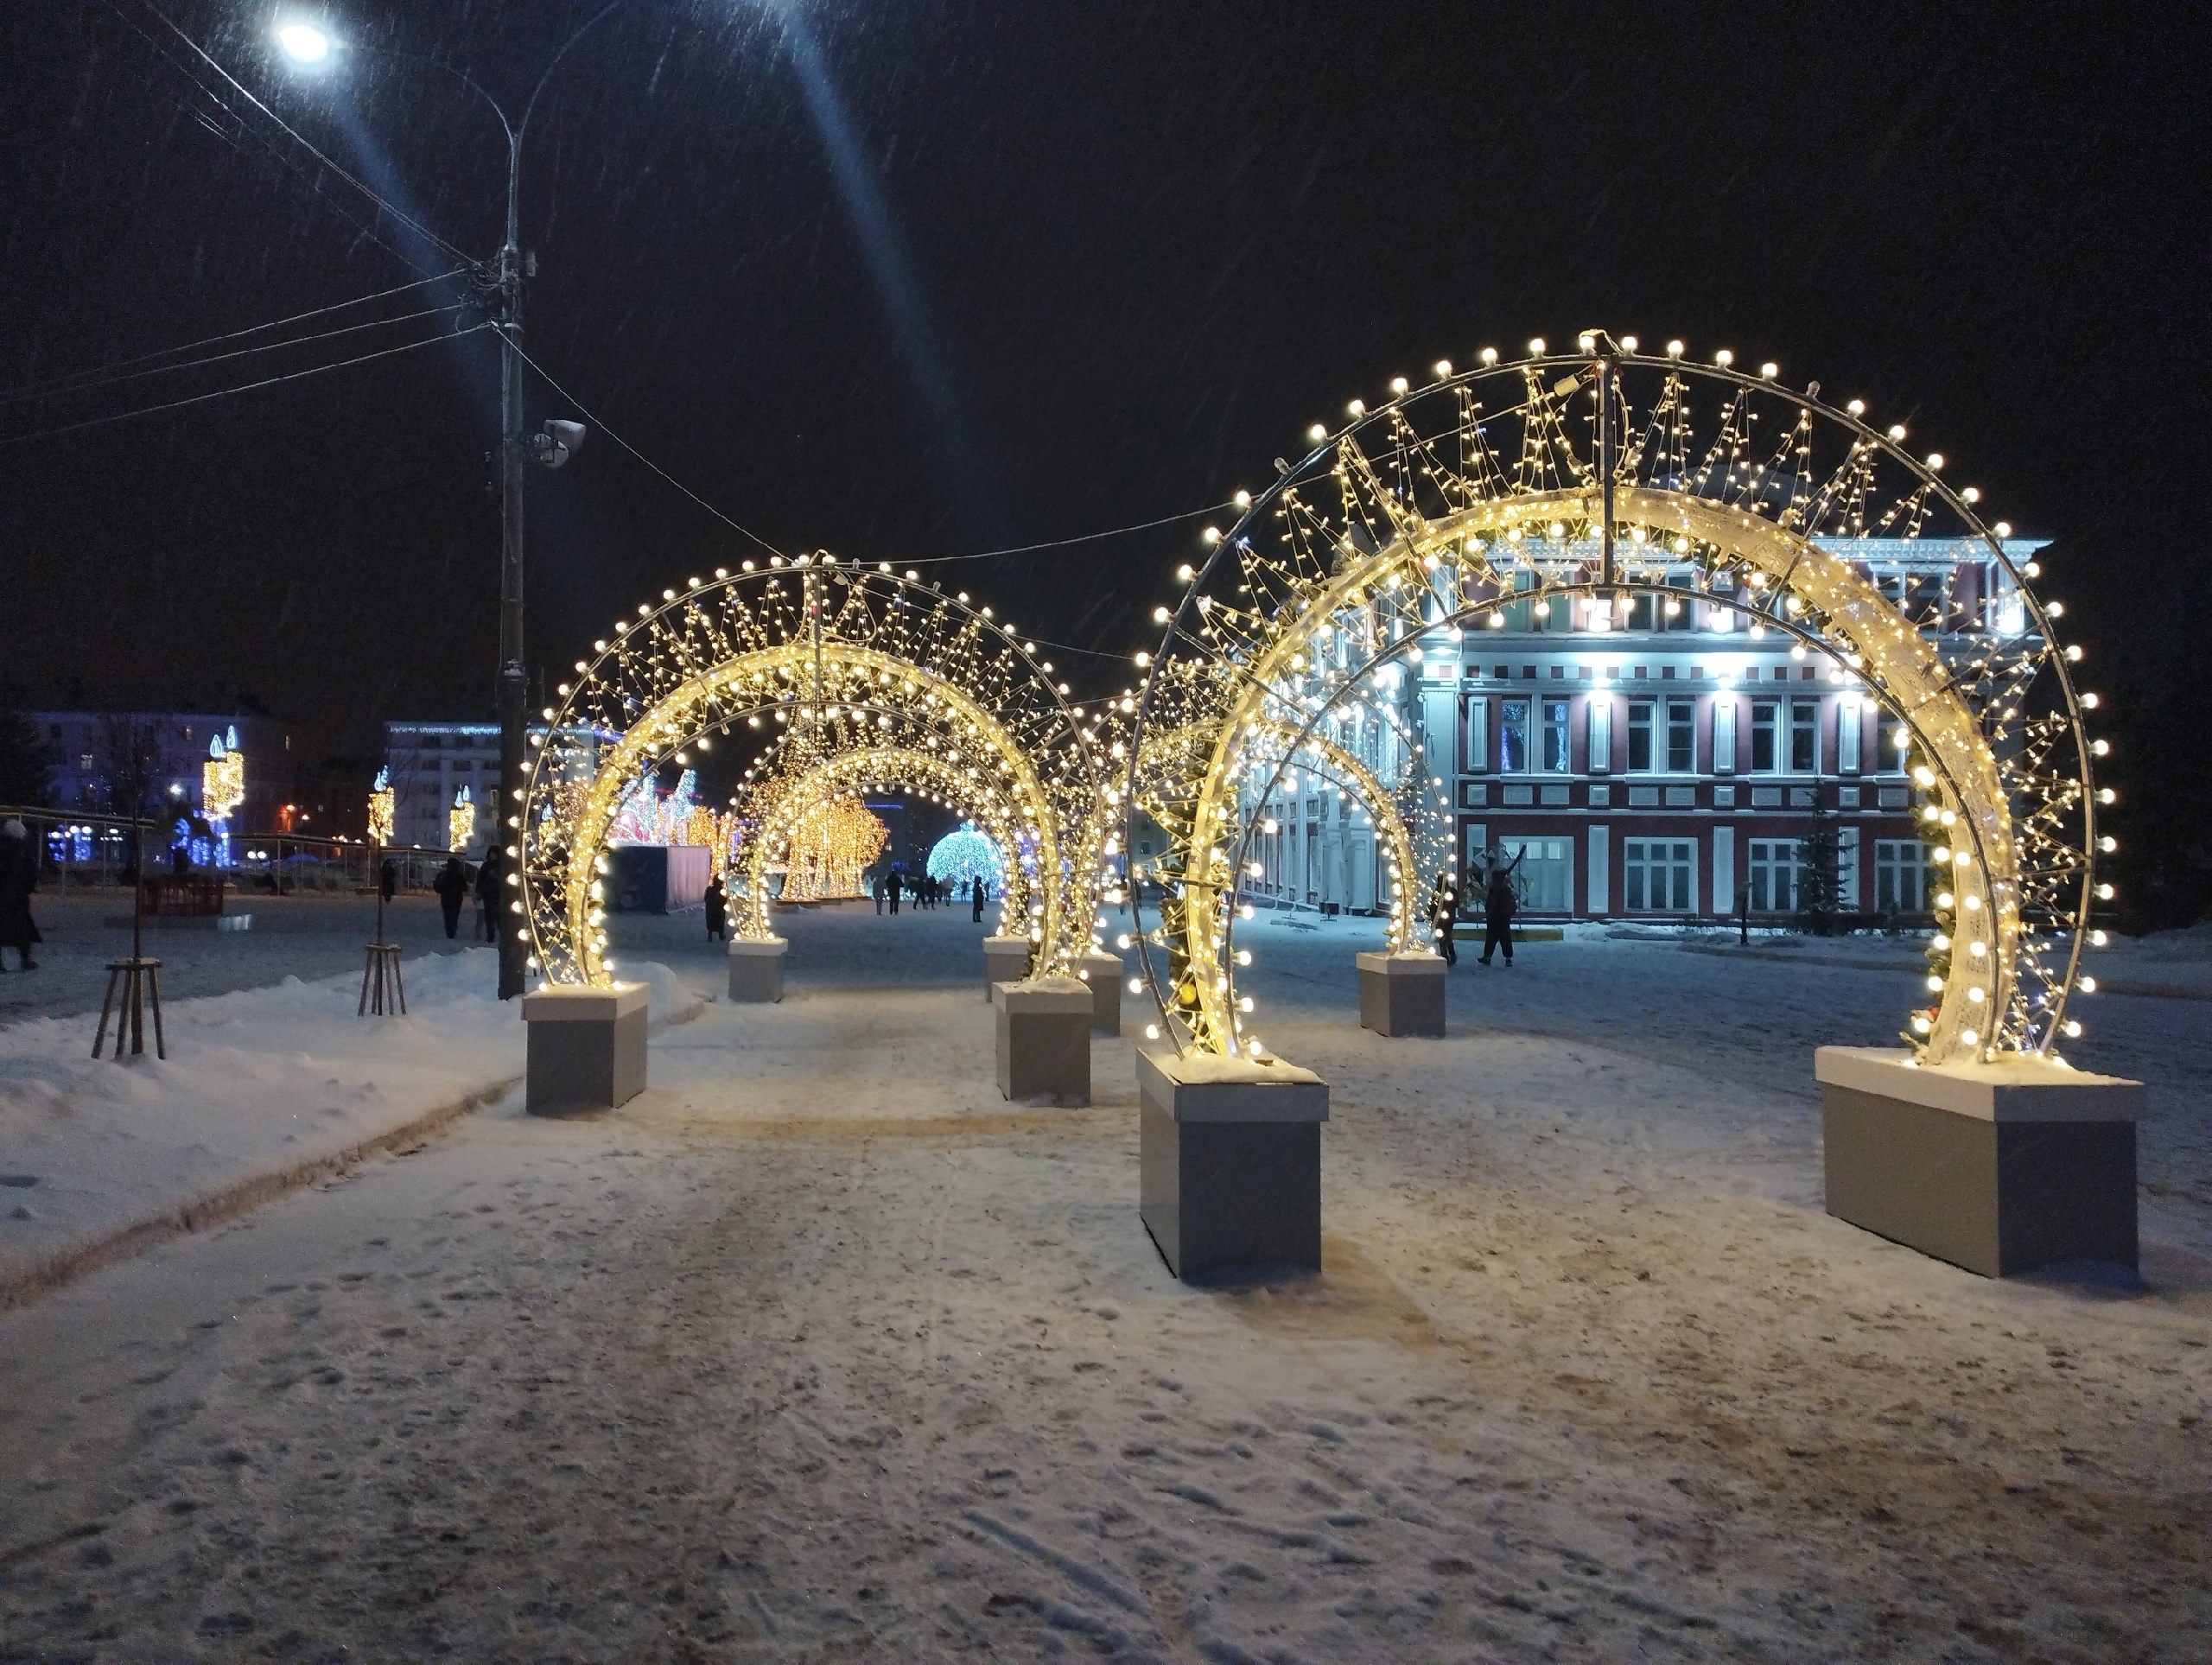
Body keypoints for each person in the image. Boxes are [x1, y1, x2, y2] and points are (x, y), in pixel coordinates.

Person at [0, 819, 41, 971]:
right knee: (22, 929)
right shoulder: (22, 851)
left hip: (3, 895)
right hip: (17, 896)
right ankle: (25, 960)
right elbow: (30, 872)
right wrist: (28, 888)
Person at [1477, 860, 1517, 968]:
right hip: (1505, 917)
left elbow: (1492, 903)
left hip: (1495, 916)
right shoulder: (1506, 888)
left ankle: (1487, 957)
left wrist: (1489, 913)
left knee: (1491, 937)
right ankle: (1508, 959)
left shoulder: (1495, 888)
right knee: (1505, 937)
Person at [432, 855, 470, 939]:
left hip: (446, 899)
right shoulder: (459, 876)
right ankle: (452, 931)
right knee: (454, 916)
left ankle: (449, 932)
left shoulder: (443, 875)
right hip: (456, 899)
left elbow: (437, 887)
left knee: (447, 916)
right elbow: (465, 888)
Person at [474, 845, 503, 942]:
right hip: (488, 894)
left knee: (498, 917)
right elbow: (480, 879)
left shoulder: (501, 866)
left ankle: (501, 935)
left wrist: (496, 877)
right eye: (491, 854)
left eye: (494, 854)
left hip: (498, 894)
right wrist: (479, 891)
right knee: (489, 917)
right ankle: (491, 936)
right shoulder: (486, 865)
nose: (492, 856)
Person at [1428, 873, 1458, 966]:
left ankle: (1447, 955)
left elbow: (1432, 907)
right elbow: (1432, 906)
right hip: (1445, 918)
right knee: (1445, 936)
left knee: (1444, 936)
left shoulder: (1442, 892)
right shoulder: (1443, 892)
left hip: (1444, 918)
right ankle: (1448, 955)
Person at [704, 873, 728, 942]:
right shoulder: (722, 891)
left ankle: (710, 936)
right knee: (720, 922)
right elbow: (725, 900)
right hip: (719, 909)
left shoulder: (709, 889)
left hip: (710, 909)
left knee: (710, 922)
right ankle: (721, 935)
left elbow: (706, 898)